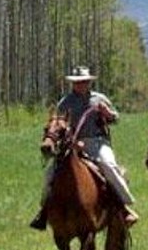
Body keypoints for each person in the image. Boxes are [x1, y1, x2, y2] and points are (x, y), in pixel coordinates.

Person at [30, 66, 139, 229]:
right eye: (77, 82)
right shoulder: (65, 103)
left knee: (108, 166)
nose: (81, 84)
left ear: (89, 82)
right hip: (73, 144)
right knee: (50, 173)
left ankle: (124, 207)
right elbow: (60, 126)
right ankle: (44, 211)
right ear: (73, 83)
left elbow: (116, 119)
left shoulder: (99, 99)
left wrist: (107, 113)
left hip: (97, 142)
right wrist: (73, 142)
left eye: (84, 81)